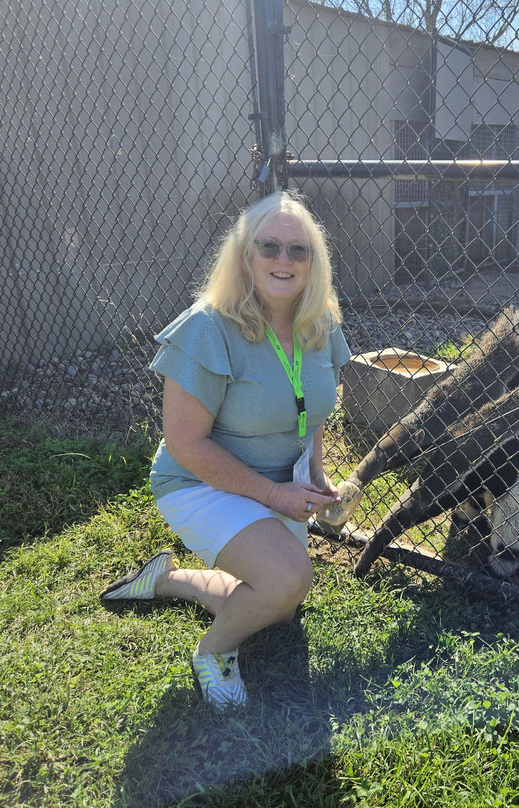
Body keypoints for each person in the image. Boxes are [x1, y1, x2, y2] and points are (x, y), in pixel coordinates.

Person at [100, 190, 350, 709]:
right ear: (245, 254)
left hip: (277, 484)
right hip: (200, 481)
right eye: (269, 247)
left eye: (298, 251)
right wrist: (275, 497)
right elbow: (184, 443)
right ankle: (212, 654)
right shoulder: (208, 327)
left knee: (278, 605)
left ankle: (167, 580)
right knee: (286, 578)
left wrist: (316, 481)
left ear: (313, 261)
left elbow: (312, 414)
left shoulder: (319, 324)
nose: (284, 260)